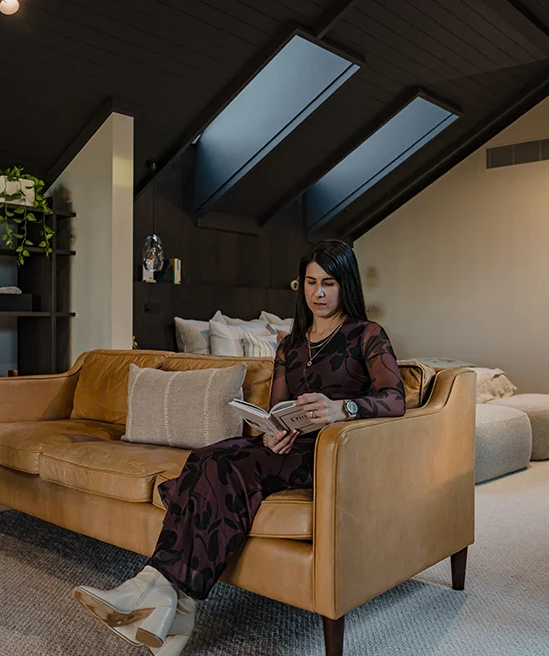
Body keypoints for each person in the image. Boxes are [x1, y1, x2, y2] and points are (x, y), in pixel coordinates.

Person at [73, 239, 406, 655]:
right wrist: (271, 430)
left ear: (346, 286)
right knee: (205, 458)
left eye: (329, 283)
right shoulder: (291, 344)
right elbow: (277, 408)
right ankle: (176, 604)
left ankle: (157, 594)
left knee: (218, 469)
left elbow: (395, 399)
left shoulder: (366, 335)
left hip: (331, 452)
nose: (318, 294)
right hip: (287, 447)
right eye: (310, 282)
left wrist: (342, 407)